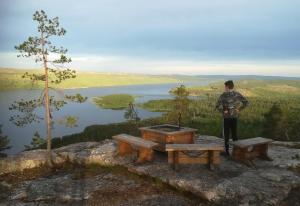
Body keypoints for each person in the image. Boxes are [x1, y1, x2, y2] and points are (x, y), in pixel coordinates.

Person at [216, 80, 249, 156]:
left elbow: (217, 105)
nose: (224, 88)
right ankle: (236, 151)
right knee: (234, 134)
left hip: (226, 118)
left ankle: (227, 152)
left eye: (225, 86)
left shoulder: (224, 95)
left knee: (226, 135)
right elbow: (246, 102)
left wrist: (223, 110)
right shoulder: (237, 94)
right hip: (235, 117)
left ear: (227, 87)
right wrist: (239, 109)